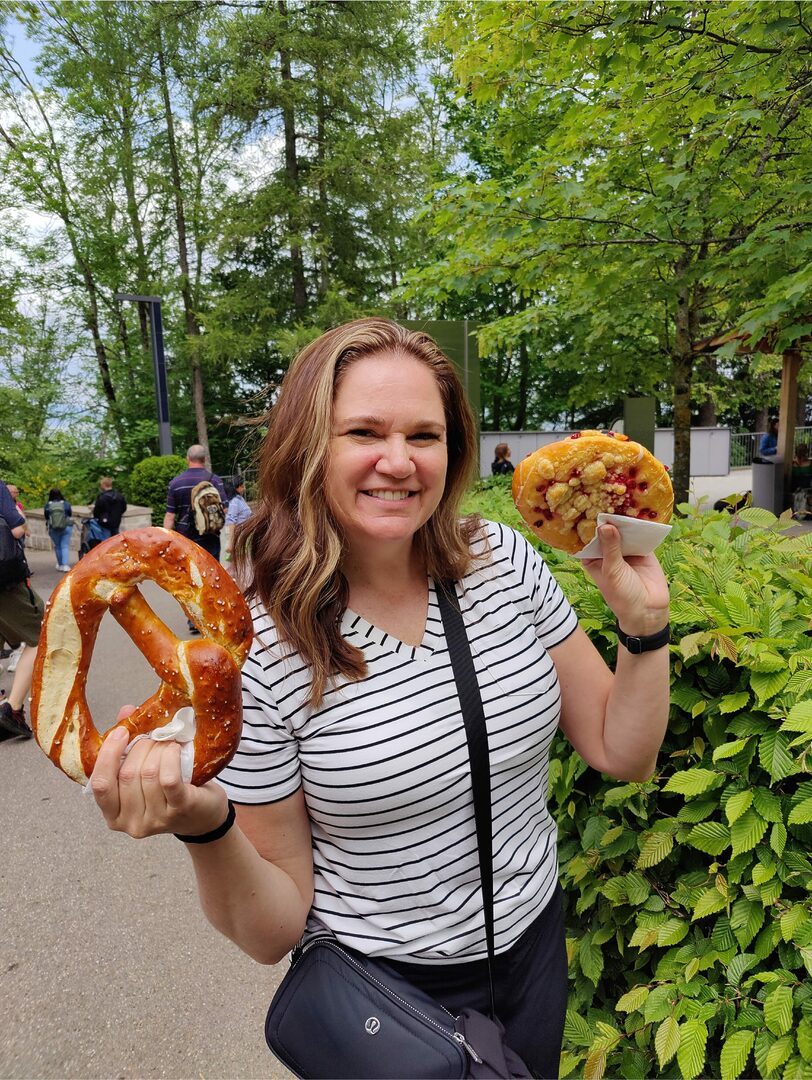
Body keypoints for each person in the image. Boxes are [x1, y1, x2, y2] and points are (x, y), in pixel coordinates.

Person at [89, 319, 670, 1077]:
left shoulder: (502, 560)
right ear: (306, 446)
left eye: (424, 436)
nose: (398, 462)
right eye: (363, 430)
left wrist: (644, 628)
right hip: (389, 1003)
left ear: (452, 450)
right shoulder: (257, 645)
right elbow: (273, 930)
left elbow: (620, 751)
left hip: (533, 951)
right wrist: (208, 826)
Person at [0, 480, 44, 740]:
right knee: (41, 637)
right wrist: (20, 519)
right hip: (5, 585)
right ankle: (13, 708)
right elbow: (17, 530)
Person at [164, 445, 228, 562]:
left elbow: (170, 516)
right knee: (211, 573)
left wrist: (166, 540)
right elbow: (224, 509)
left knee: (188, 572)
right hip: (210, 536)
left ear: (187, 458)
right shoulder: (215, 480)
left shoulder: (176, 483)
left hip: (185, 537)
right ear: (205, 459)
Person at [222, 476, 252, 563]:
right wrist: (231, 543)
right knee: (240, 566)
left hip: (243, 537)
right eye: (242, 486)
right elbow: (232, 521)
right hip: (238, 539)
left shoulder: (240, 499)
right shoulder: (235, 502)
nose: (244, 488)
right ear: (237, 488)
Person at [43, 487, 73, 571]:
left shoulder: (48, 505)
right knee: (65, 545)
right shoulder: (65, 504)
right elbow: (70, 514)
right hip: (66, 527)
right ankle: (65, 565)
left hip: (53, 528)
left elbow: (46, 517)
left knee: (58, 546)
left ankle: (60, 565)